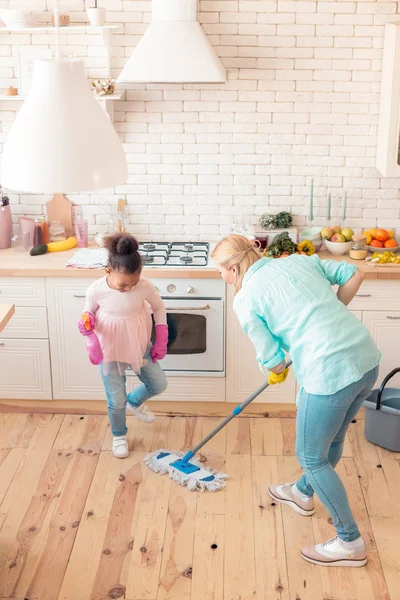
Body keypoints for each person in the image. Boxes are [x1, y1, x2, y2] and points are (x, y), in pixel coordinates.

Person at [212, 234, 381, 568]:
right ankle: (303, 493)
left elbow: (273, 361)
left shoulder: (245, 298)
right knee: (333, 439)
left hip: (329, 375)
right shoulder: (297, 260)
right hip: (365, 360)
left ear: (233, 268)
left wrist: (274, 368)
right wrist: (329, 318)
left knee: (311, 456)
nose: (222, 277)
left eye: (220, 271)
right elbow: (354, 274)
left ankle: (350, 542)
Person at [78, 233, 168, 459]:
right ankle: (119, 435)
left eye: (133, 283)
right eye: (123, 285)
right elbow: (88, 311)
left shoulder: (145, 287)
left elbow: (158, 308)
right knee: (115, 399)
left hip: (139, 345)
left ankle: (135, 402)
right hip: (110, 350)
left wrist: (161, 338)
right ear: (108, 270)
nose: (128, 288)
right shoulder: (96, 289)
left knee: (158, 384)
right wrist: (86, 320)